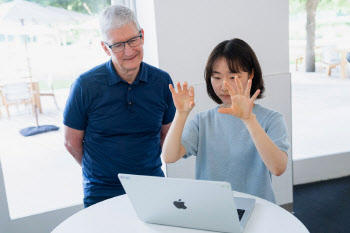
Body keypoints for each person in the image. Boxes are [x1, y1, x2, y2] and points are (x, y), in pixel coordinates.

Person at [63, 5, 175, 208]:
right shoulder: (85, 86)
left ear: (142, 35)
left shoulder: (162, 81)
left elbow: (167, 138)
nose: (129, 51)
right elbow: (71, 143)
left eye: (133, 40)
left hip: (153, 187)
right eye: (118, 45)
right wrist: (100, 172)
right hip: (101, 192)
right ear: (105, 48)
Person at [162, 38, 289, 203]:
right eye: (216, 77)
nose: (223, 85)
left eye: (233, 77)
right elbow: (169, 157)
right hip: (211, 208)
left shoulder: (272, 119)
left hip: (257, 209)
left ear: (251, 74)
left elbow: (278, 168)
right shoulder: (203, 121)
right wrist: (181, 113)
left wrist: (248, 119)